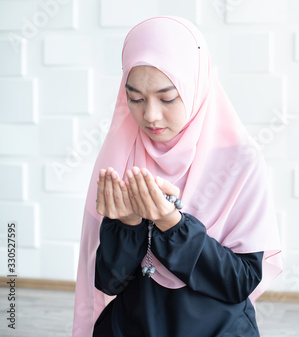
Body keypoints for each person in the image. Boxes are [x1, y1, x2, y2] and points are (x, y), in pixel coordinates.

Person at [72, 16, 282, 337]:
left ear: (195, 85)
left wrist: (172, 223)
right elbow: (107, 282)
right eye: (136, 98)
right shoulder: (121, 157)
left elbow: (239, 281)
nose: (150, 115)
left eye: (167, 98)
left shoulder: (240, 162)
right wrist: (127, 224)